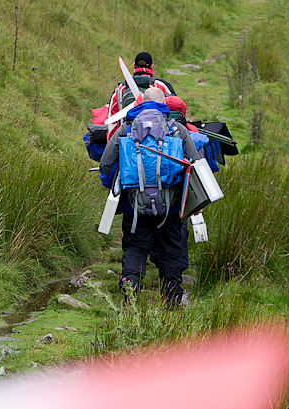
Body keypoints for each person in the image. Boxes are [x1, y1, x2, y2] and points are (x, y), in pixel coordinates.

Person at [100, 88, 200, 308]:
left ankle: (130, 298)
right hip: (171, 208)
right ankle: (172, 305)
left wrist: (112, 187)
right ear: (164, 104)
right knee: (170, 252)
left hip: (134, 208)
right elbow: (196, 165)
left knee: (135, 248)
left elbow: (106, 163)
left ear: (142, 103)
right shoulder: (178, 130)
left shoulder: (126, 128)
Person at [107, 52, 177, 141]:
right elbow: (175, 110)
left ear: (134, 65)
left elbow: (112, 120)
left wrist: (112, 144)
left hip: (128, 142)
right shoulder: (161, 86)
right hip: (160, 141)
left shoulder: (121, 89)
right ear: (151, 66)